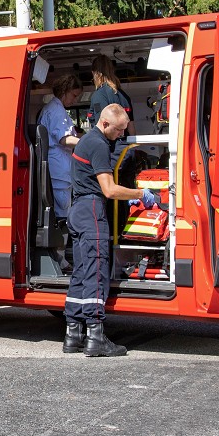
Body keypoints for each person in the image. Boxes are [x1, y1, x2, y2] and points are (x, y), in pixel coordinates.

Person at [63, 103, 160, 357]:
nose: (120, 136)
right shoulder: (98, 144)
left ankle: (73, 334)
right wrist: (140, 194)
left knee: (81, 271)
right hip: (92, 210)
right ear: (105, 124)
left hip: (78, 209)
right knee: (96, 270)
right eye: (118, 131)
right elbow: (109, 189)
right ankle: (96, 336)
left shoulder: (87, 141)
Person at [39, 74, 83, 218]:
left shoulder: (53, 109)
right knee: (63, 213)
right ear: (65, 90)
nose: (75, 99)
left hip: (57, 168)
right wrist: (88, 143)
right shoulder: (57, 111)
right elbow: (64, 139)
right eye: (74, 95)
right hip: (59, 170)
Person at [88, 55, 134, 135]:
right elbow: (131, 127)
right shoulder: (124, 96)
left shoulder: (98, 96)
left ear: (94, 73)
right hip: (125, 143)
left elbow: (102, 126)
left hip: (110, 145)